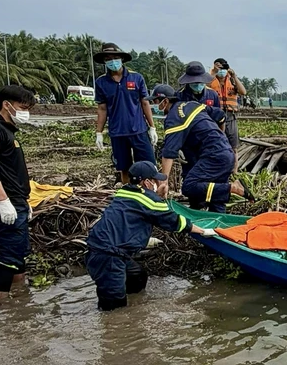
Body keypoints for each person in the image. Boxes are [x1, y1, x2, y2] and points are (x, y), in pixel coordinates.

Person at [85, 161, 208, 311]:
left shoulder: (124, 192)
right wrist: (202, 231)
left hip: (103, 248)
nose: (158, 182)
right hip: (109, 254)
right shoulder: (150, 201)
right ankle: (117, 327)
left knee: (137, 276)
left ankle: (136, 309)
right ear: (147, 182)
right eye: (156, 180)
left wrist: (156, 197)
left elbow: (143, 205)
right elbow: (174, 221)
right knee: (114, 309)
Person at [150, 84, 251, 212]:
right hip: (226, 153)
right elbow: (220, 116)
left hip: (213, 156)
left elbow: (169, 153)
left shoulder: (174, 118)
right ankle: (218, 228)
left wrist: (163, 181)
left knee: (189, 186)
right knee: (217, 201)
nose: (154, 105)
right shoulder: (192, 105)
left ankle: (233, 188)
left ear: (165, 101)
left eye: (155, 102)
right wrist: (221, 139)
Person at [0, 85, 36, 300]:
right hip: (5, 203)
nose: (26, 112)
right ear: (6, 104)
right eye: (23, 107)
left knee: (18, 255)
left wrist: (23, 199)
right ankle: (2, 308)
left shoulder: (9, 132)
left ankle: (20, 302)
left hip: (18, 201)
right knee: (7, 257)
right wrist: (3, 200)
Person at [93, 42, 158, 185]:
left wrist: (152, 127)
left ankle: (153, 195)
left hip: (138, 130)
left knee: (149, 166)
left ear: (121, 59)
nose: (112, 61)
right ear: (104, 62)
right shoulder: (101, 82)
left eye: (115, 57)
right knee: (124, 168)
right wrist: (99, 132)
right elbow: (102, 108)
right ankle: (129, 195)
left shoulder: (136, 78)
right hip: (117, 132)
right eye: (108, 58)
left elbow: (145, 102)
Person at [208, 58, 247, 171]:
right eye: (218, 67)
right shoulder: (210, 79)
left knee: (233, 145)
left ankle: (234, 171)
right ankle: (216, 168)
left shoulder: (232, 80)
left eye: (223, 68)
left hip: (230, 115)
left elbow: (243, 92)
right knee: (214, 143)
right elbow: (203, 86)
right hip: (214, 116)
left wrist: (234, 76)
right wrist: (214, 72)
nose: (221, 70)